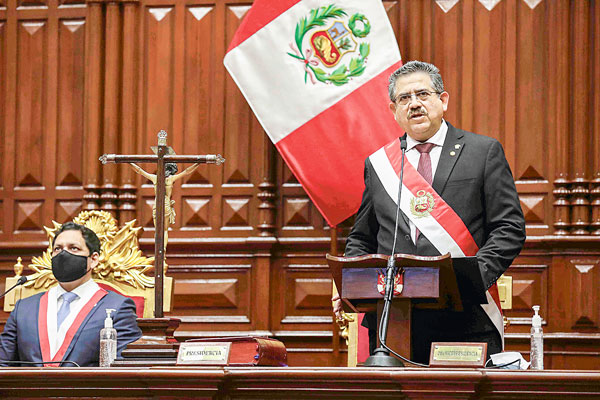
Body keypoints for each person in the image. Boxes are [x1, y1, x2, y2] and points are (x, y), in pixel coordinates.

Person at [334, 61, 526, 364]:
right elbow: (361, 237)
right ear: (393, 110)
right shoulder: (379, 164)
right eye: (404, 99)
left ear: (443, 100)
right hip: (393, 321)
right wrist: (350, 277)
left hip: (465, 317)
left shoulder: (482, 152)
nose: (414, 104)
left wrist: (473, 279)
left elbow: (509, 228)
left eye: (422, 94)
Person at [0, 222, 142, 367]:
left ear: (93, 259)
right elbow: (3, 365)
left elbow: (124, 369)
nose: (63, 254)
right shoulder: (23, 309)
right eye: (58, 249)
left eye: (74, 248)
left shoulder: (118, 307)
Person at [128, 162, 200, 250]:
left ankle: (158, 250)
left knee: (158, 230)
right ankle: (163, 251)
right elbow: (186, 171)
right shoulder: (171, 179)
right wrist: (198, 163)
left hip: (157, 203)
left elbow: (139, 170)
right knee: (165, 230)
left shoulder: (155, 178)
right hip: (166, 203)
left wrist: (129, 162)